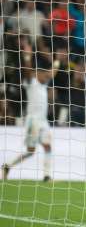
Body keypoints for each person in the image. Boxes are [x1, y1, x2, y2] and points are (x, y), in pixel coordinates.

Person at [2, 53, 58, 182]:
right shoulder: (31, 82)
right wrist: (27, 57)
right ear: (36, 74)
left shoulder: (43, 85)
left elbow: (52, 73)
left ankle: (47, 176)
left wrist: (57, 62)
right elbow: (27, 71)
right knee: (31, 151)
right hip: (33, 121)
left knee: (48, 146)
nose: (46, 76)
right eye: (43, 74)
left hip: (43, 121)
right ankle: (7, 165)